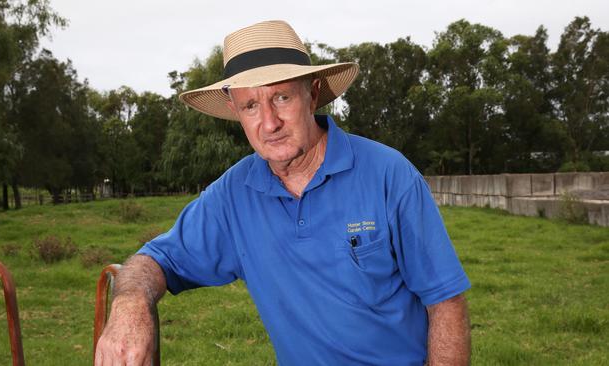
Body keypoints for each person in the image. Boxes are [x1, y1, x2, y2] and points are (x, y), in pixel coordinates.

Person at [95, 20, 471, 366]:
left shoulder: (389, 174)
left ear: (313, 93)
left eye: (281, 98)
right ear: (234, 110)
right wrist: (130, 305)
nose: (269, 123)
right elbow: (155, 260)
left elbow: (446, 302)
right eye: (251, 105)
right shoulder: (232, 196)